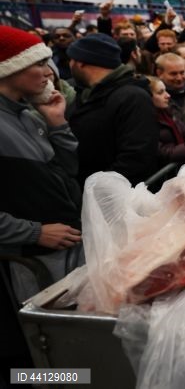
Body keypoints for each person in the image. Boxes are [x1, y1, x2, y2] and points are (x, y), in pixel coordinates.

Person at [0, 27, 83, 304]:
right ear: (9, 68)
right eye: (39, 64)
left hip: (64, 251)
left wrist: (57, 123)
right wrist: (35, 232)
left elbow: (68, 169)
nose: (49, 72)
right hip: (31, 260)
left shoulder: (30, 115)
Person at [67, 34, 159, 186]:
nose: (69, 65)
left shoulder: (133, 97)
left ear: (81, 62)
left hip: (113, 199)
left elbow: (136, 157)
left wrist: (98, 191)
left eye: (71, 59)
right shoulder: (86, 94)